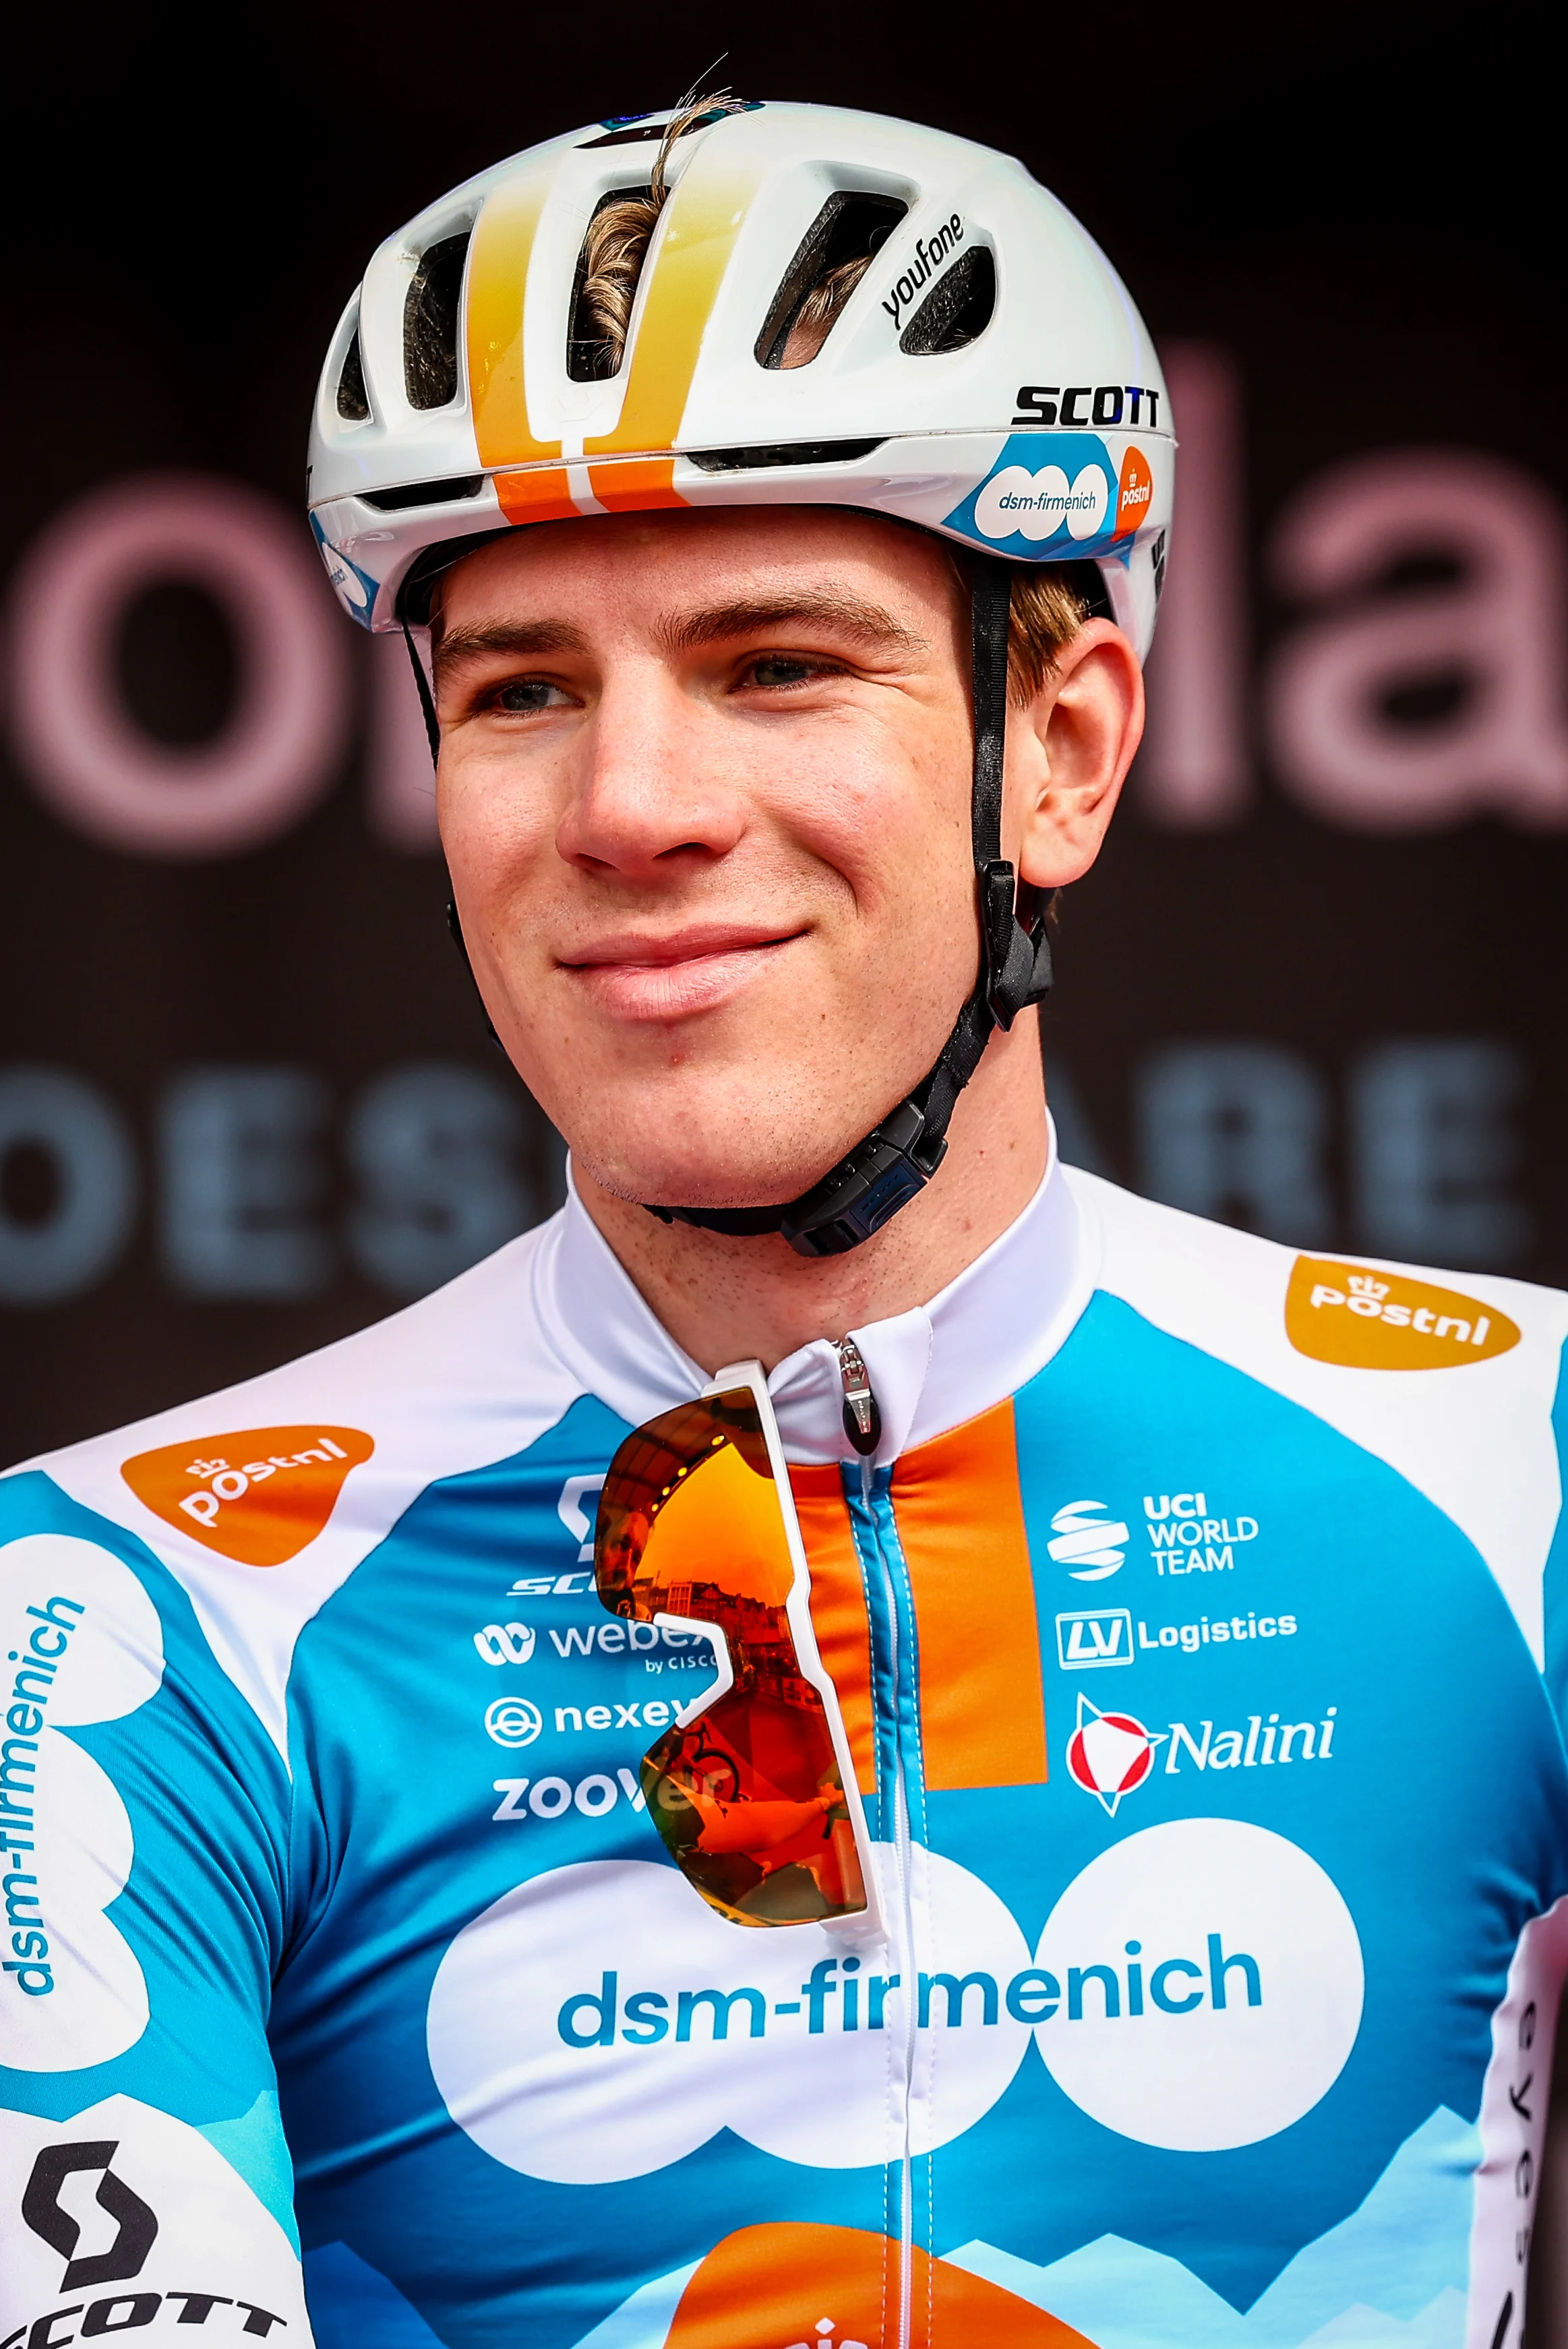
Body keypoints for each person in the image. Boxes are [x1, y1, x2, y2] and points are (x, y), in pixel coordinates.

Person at [3, 90, 1566, 2349]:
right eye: (524, 690)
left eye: (776, 663)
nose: (633, 807)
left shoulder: (1517, 1473)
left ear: (1064, 751)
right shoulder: (117, 1626)